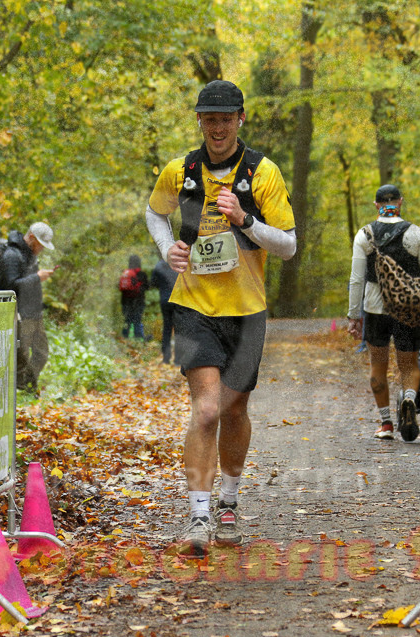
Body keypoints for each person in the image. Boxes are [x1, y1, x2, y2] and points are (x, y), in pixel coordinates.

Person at [144, 80, 296, 556]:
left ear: (240, 120)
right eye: (209, 119)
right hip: (193, 306)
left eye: (226, 118)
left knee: (235, 409)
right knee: (207, 408)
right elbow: (154, 213)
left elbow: (289, 246)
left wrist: (246, 221)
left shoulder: (262, 173)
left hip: (247, 312)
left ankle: (229, 501)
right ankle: (198, 514)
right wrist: (166, 246)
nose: (217, 128)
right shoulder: (181, 170)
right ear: (199, 121)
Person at [347, 184, 420, 441]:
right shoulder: (415, 233)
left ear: (376, 205)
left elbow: (356, 280)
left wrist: (354, 317)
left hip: (375, 309)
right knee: (409, 365)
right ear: (400, 202)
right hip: (408, 309)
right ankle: (409, 398)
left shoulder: (364, 235)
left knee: (378, 365)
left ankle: (386, 423)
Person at [1, 221, 55, 394]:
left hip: (34, 313)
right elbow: (11, 287)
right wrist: (38, 278)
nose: (42, 249)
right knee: (21, 357)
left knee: (42, 353)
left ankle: (28, 386)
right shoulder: (11, 255)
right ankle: (22, 390)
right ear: (31, 237)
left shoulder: (29, 256)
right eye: (41, 244)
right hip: (20, 315)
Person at [150, 256, 179, 363]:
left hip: (165, 300)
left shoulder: (159, 265)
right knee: (178, 329)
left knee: (167, 328)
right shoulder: (179, 262)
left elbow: (152, 283)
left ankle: (166, 358)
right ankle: (178, 359)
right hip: (178, 300)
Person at [119, 255, 149, 340]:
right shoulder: (142, 274)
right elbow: (147, 286)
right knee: (137, 320)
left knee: (127, 320)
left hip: (125, 301)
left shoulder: (125, 273)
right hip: (139, 301)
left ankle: (125, 338)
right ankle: (138, 339)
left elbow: (120, 287)